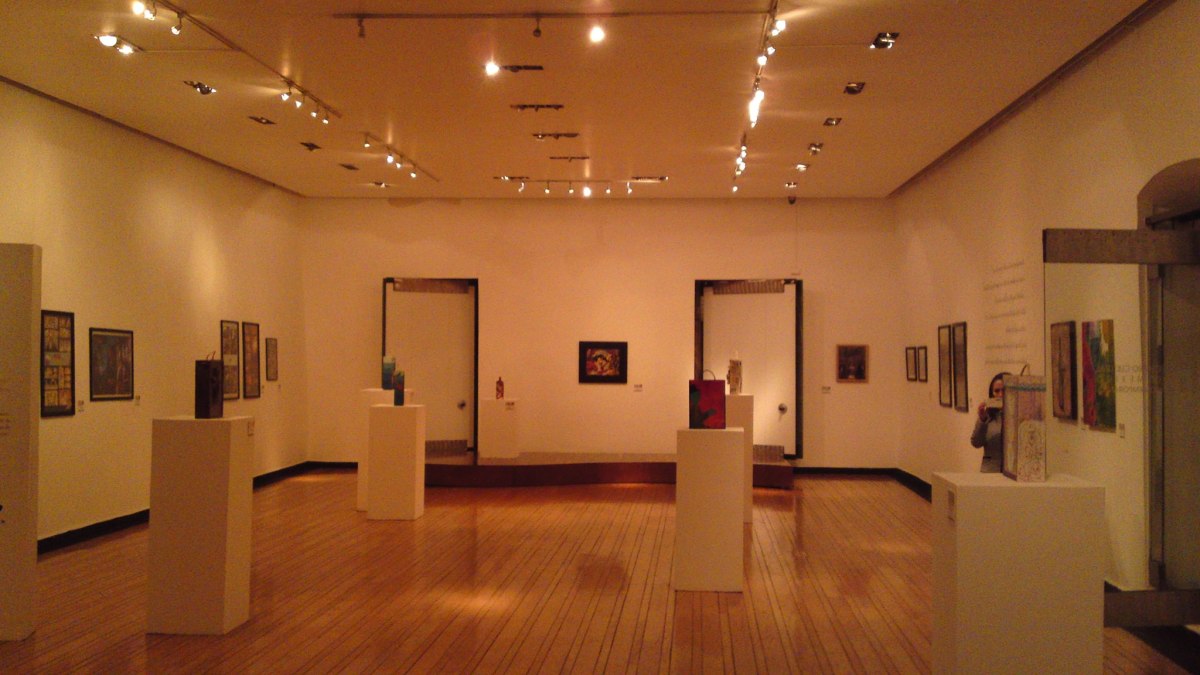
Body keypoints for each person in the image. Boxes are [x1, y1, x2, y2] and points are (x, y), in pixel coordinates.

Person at [970, 372, 1010, 472]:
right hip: (990, 471)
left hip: (1013, 473)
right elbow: (976, 443)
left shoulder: (1020, 415)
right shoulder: (987, 415)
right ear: (992, 393)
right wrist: (982, 420)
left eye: (1004, 390)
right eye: (997, 391)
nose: (1000, 395)